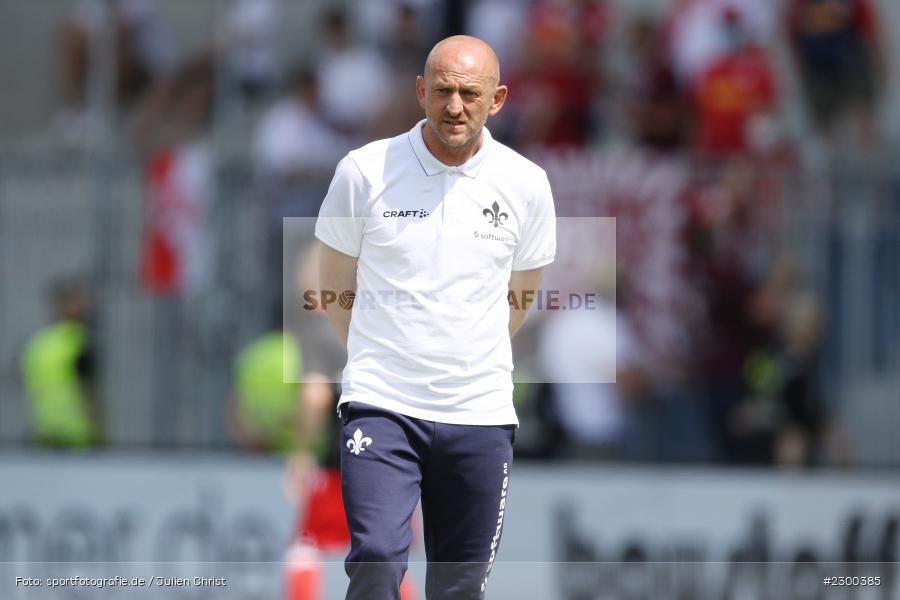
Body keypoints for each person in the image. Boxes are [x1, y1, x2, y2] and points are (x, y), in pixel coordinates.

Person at [314, 35, 556, 599]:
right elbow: (332, 287)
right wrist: (378, 358)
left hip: (479, 412)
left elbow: (521, 297)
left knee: (458, 587)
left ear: (497, 99)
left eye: (469, 94)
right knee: (375, 559)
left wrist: (470, 352)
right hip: (383, 404)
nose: (454, 107)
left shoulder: (527, 184)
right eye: (442, 90)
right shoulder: (365, 171)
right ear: (420, 92)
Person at [21, 276, 101, 448]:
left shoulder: (38, 344)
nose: (85, 307)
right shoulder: (79, 342)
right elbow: (89, 392)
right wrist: (99, 430)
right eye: (78, 301)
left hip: (43, 434)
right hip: (77, 438)